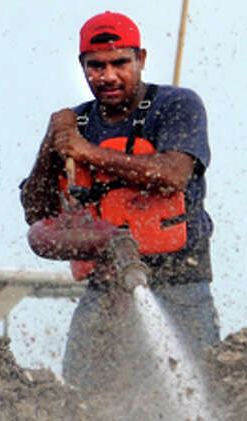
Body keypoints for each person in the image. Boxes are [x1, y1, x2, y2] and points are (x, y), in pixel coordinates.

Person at [20, 11, 219, 391]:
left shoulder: (176, 105)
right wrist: (51, 144)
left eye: (119, 63)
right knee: (84, 401)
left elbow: (173, 174)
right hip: (104, 290)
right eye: (96, 66)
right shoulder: (73, 124)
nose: (108, 75)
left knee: (193, 390)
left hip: (179, 286)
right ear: (82, 67)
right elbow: (38, 213)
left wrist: (88, 152)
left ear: (140, 59)